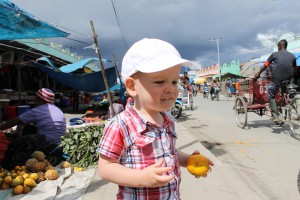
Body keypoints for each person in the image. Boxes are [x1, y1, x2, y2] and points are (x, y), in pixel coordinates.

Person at [97, 38, 214, 199]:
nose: (171, 89)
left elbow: (168, 152)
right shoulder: (121, 124)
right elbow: (105, 167)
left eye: (174, 81)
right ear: (132, 86)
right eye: (160, 81)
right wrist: (141, 178)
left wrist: (187, 160)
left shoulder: (167, 120)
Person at [0, 88, 67, 167]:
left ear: (40, 100)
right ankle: (51, 158)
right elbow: (22, 121)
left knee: (17, 144)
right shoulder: (57, 109)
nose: (34, 101)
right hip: (59, 146)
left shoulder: (38, 110)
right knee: (29, 128)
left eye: (35, 99)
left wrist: (1, 127)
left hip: (47, 145)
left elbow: (14, 121)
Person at [254, 39, 296, 125]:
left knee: (270, 94)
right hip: (288, 79)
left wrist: (258, 74)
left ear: (280, 46)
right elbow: (295, 68)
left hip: (276, 79)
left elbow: (265, 65)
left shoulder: (274, 54)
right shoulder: (292, 56)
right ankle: (288, 104)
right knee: (285, 93)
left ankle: (275, 116)